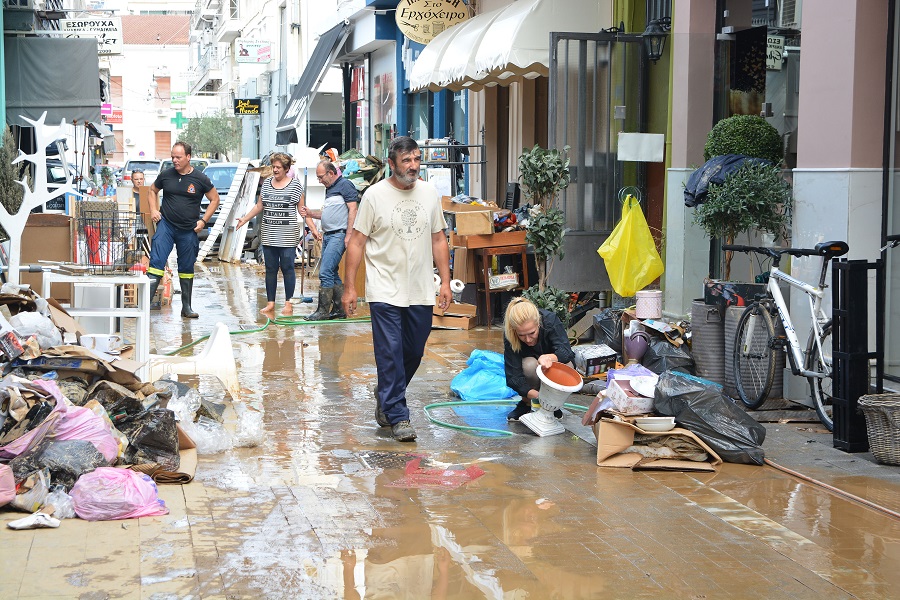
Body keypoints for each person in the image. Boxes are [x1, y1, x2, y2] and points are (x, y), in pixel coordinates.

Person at [342, 136, 451, 442]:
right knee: (390, 352)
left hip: (419, 288)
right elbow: (357, 243)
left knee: (414, 351)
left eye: (417, 159)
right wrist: (351, 287)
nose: (413, 166)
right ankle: (398, 414)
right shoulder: (375, 196)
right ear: (392, 163)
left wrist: (445, 281)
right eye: (406, 160)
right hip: (384, 288)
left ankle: (386, 393)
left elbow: (438, 239)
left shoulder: (430, 193)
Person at [236, 152, 318, 317]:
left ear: (287, 169)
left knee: (287, 268)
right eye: (273, 167)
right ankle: (271, 302)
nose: (275, 170)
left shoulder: (295, 186)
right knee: (270, 268)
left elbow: (303, 211)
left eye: (278, 167)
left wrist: (314, 229)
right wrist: (244, 219)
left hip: (287, 235)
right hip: (269, 233)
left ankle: (288, 302)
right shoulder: (266, 184)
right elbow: (259, 206)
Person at [147, 142, 220, 319]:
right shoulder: (166, 175)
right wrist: (154, 210)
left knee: (186, 267)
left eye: (178, 157)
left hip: (188, 230)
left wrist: (203, 221)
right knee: (156, 263)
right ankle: (145, 305)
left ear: (188, 157)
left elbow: (215, 200)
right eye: (173, 156)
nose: (174, 160)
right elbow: (152, 190)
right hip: (167, 225)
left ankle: (186, 307)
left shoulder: (200, 179)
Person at [299, 159, 359, 321]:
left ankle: (323, 311)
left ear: (331, 173)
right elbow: (328, 214)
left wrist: (348, 235)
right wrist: (311, 213)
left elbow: (353, 209)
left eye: (320, 177)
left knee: (325, 271)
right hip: (329, 234)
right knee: (331, 272)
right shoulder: (330, 189)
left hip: (339, 235)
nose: (319, 180)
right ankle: (339, 309)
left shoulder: (345, 185)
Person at [502, 297, 576, 422]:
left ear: (538, 323)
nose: (528, 339)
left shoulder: (550, 320)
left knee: (567, 366)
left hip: (552, 367)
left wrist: (550, 357)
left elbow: (567, 352)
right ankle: (526, 403)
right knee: (529, 365)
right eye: (521, 335)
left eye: (532, 333)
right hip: (531, 371)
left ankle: (553, 406)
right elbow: (513, 375)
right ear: (514, 331)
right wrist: (536, 396)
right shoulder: (509, 333)